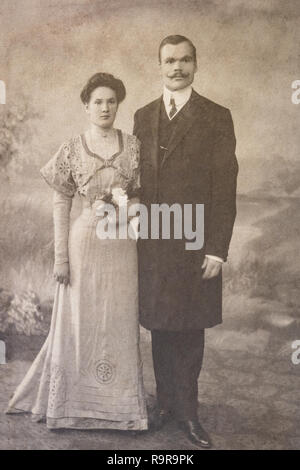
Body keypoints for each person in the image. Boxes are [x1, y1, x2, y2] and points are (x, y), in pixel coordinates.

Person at [6, 73, 148, 431]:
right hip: (83, 244)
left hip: (121, 249)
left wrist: (129, 209)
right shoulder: (72, 148)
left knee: (118, 320)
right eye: (98, 101)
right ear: (86, 106)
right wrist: (60, 259)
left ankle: (121, 409)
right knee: (80, 321)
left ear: (119, 105)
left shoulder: (133, 147)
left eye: (111, 101)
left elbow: (141, 196)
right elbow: (60, 203)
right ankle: (73, 406)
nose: (105, 107)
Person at [133, 35, 238, 448]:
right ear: (159, 66)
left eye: (185, 60)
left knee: (190, 329)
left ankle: (189, 413)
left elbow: (224, 187)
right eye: (169, 60)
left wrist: (217, 248)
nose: (177, 68)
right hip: (155, 242)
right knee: (159, 325)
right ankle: (165, 406)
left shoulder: (216, 116)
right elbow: (135, 180)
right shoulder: (142, 116)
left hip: (196, 244)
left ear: (196, 64)